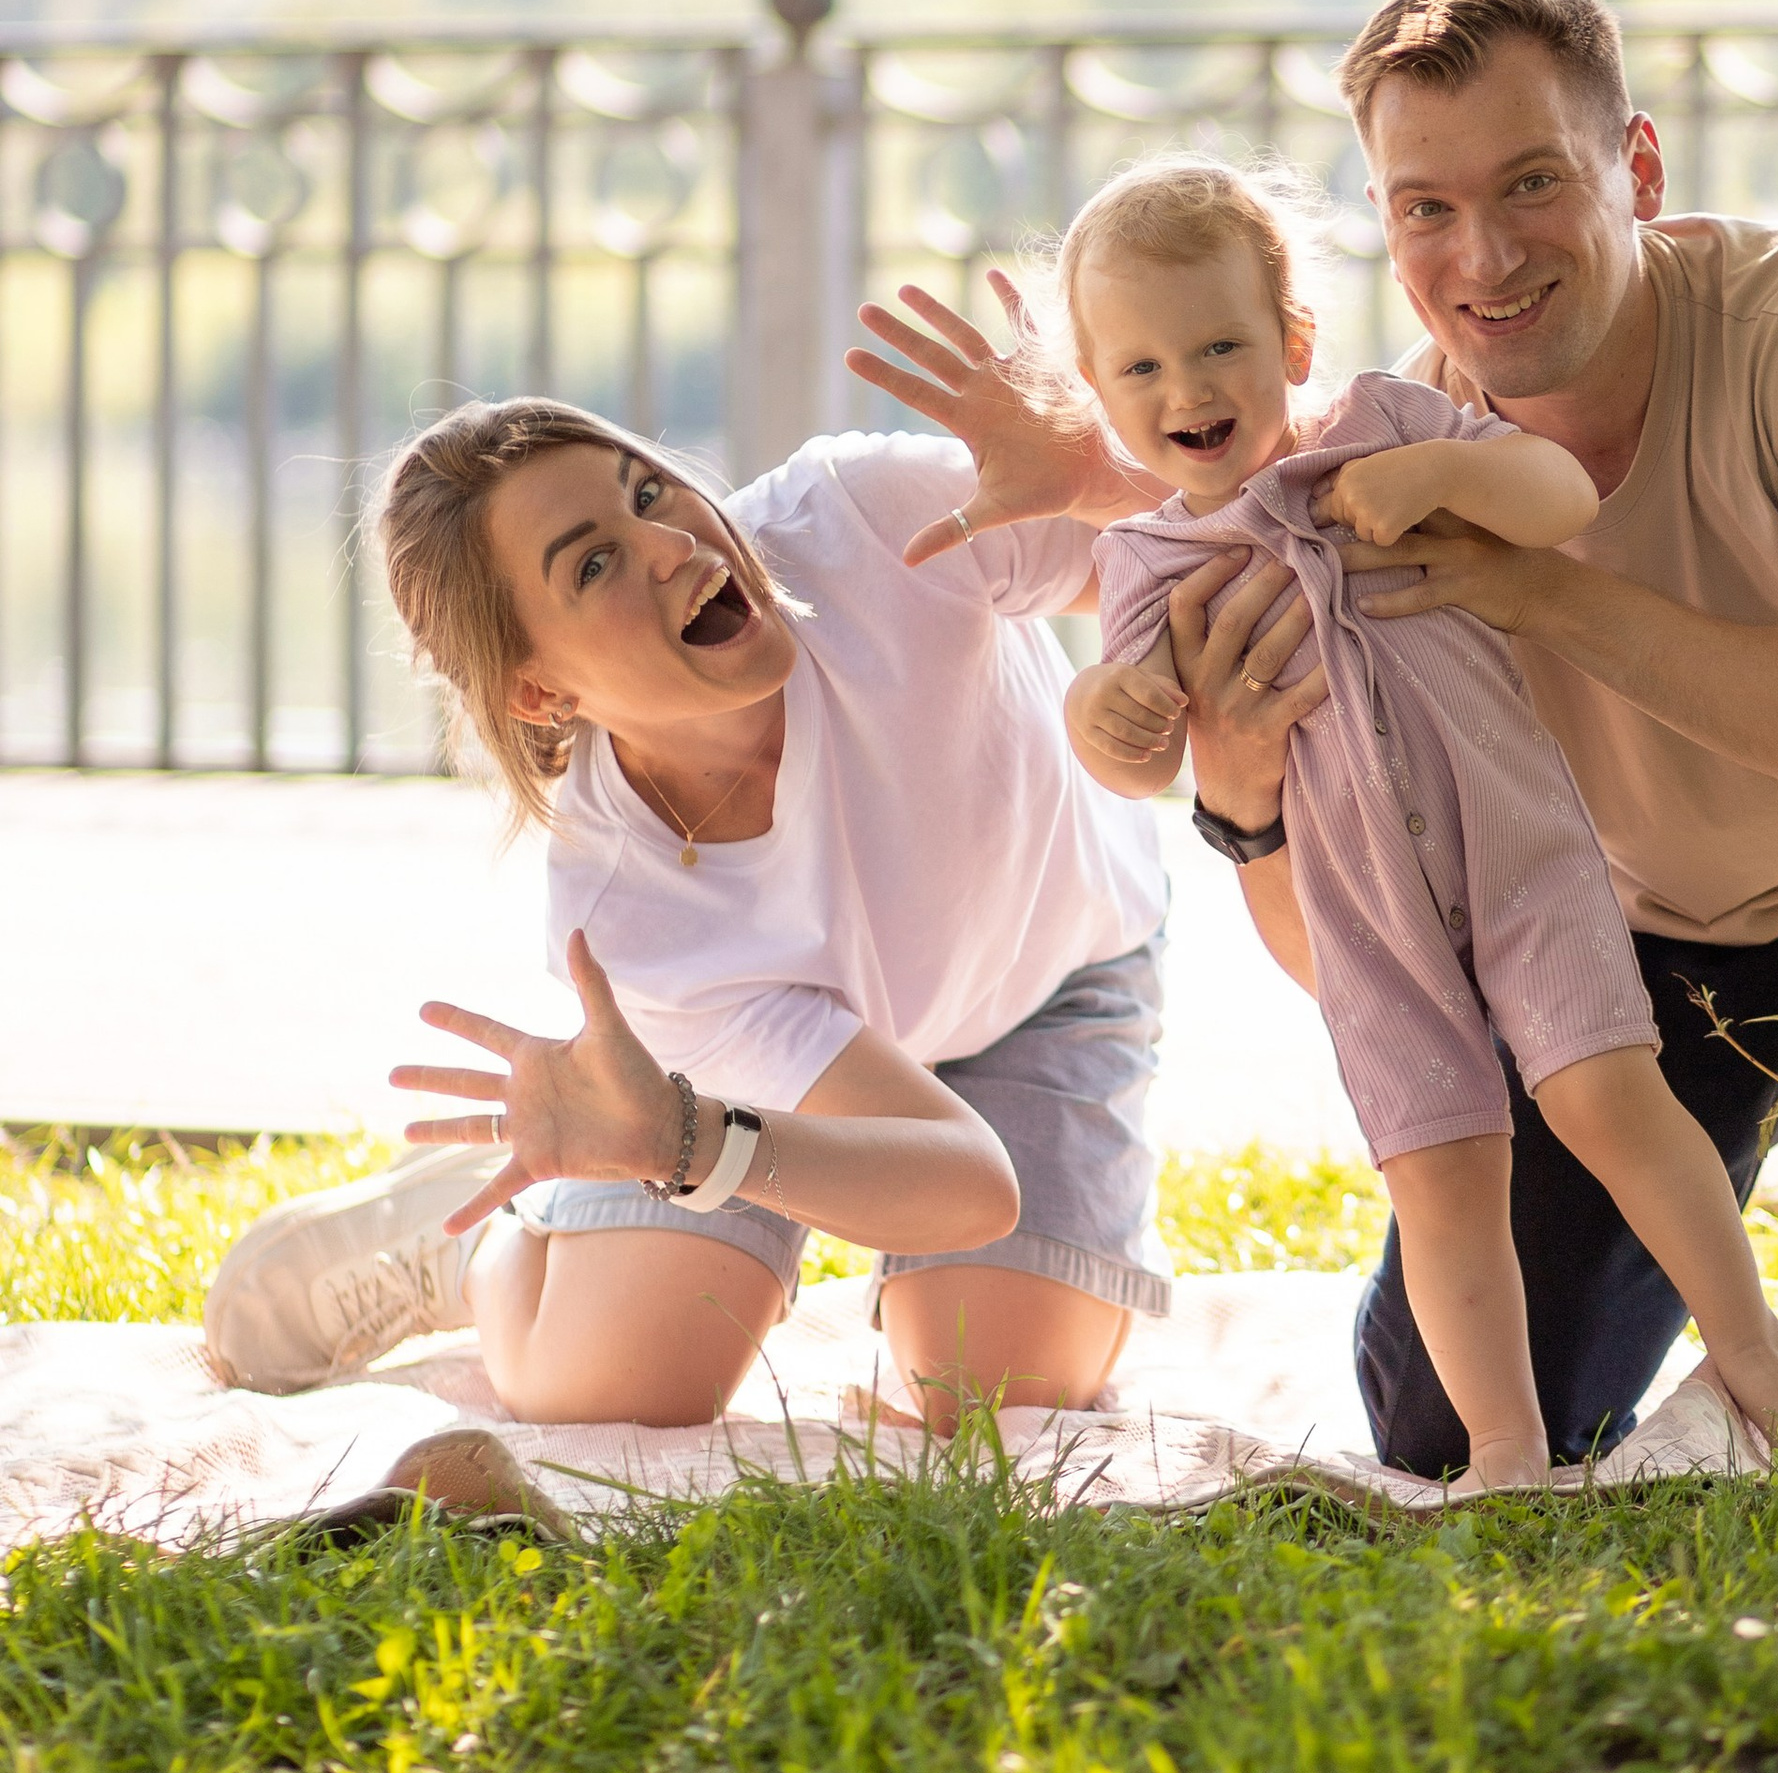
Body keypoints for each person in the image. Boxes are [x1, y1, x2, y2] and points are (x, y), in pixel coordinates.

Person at [858, 0, 1778, 1481]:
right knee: (1445, 1424)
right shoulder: (1351, 478)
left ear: (1636, 169)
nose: (1485, 255)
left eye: (1533, 183)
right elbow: (1355, 941)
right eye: (1425, 209)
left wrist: (1534, 590)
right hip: (1637, 981)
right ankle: (1704, 1354)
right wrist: (1247, 799)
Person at [201, 382, 1286, 1429]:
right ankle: (475, 1243)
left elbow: (1201, 550)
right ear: (540, 692)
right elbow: (962, 1181)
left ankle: (667, 1165)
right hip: (766, 1083)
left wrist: (1094, 472)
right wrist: (683, 1136)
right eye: (594, 564)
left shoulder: (868, 518)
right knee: (617, 1389)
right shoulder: (631, 921)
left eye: (646, 492)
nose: (675, 545)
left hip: (1045, 977)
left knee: (996, 1389)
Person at [1053, 158, 1778, 1486]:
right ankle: (1502, 1448)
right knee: (1442, 1173)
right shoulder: (1150, 564)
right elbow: (1134, 752)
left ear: (1293, 342)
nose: (1186, 391)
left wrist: (1436, 474)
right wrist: (1111, 713)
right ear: (1100, 394)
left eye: (1219, 348)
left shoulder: (1385, 422)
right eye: (1139, 371)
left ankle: (1755, 1349)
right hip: (1369, 923)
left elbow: (1560, 498)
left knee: (1610, 1094)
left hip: (1523, 856)